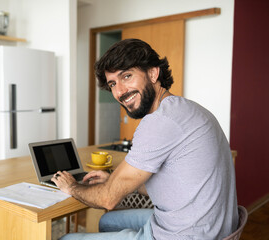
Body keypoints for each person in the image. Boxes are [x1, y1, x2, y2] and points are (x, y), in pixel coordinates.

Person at [51, 38, 239, 239]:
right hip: (211, 227)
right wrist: (114, 181)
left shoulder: (160, 121)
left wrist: (72, 187)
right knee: (107, 221)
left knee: (66, 238)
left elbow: (107, 199)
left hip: (183, 234)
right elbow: (178, 185)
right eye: (113, 83)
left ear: (153, 73)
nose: (120, 91)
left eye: (127, 76)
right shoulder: (189, 109)